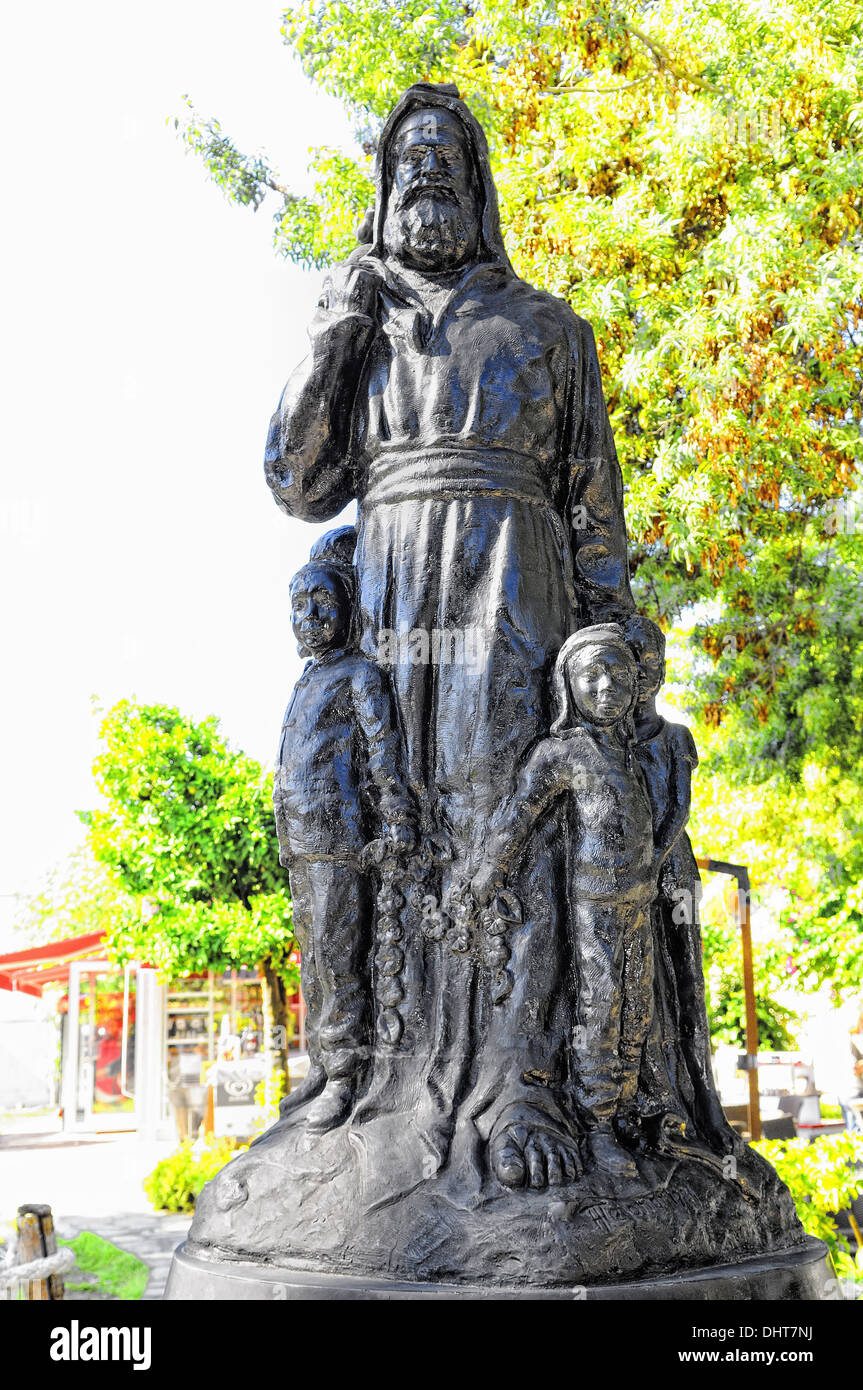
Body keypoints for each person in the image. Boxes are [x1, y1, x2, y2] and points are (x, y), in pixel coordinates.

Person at [264, 81, 634, 1183]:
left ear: (476, 185)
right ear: (382, 191)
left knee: (502, 826)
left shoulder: (544, 327)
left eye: (445, 156)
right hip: (388, 606)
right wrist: (335, 331)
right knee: (391, 832)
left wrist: (612, 640)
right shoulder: (355, 329)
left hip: (511, 598)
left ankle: (520, 1081)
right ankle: (372, 1074)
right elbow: (295, 481)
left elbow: (593, 506)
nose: (425, 168)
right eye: (406, 156)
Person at [472, 624, 655, 1180]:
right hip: (594, 903)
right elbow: (517, 816)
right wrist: (488, 876)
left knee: (635, 1009)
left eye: (617, 674)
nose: (605, 686)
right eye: (590, 675)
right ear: (567, 686)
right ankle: (598, 1126)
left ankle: (623, 1114)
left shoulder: (628, 753)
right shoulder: (563, 752)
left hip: (639, 901)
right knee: (599, 1006)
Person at [273, 552, 415, 1132]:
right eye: (298, 606)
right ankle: (320, 1062)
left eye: (322, 603)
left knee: (338, 958)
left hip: (338, 840)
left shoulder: (358, 675)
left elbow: (382, 752)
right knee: (312, 961)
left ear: (347, 610)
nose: (309, 616)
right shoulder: (307, 679)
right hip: (301, 844)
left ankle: (344, 1075)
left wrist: (398, 821)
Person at [623, 615, 738, 1152]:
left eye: (653, 663)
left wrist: (649, 861)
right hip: (627, 878)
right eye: (635, 663)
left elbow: (677, 811)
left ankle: (706, 1097)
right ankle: (649, 1095)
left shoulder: (674, 737)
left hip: (672, 875)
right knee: (640, 982)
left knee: (688, 977)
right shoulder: (607, 740)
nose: (646, 674)